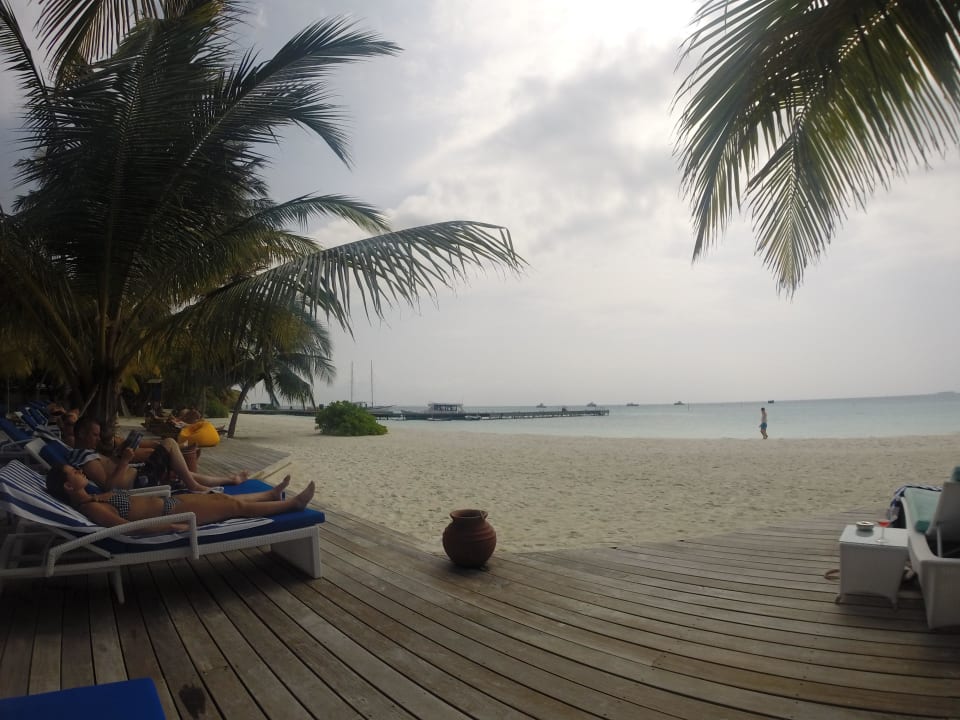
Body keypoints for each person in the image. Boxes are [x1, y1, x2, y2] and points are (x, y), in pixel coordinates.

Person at [45, 464, 315, 531]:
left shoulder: (92, 499)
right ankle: (293, 503)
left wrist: (101, 496)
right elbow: (124, 528)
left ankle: (270, 493)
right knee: (233, 506)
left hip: (172, 504)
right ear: (69, 487)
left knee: (222, 501)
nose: (81, 471)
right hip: (170, 514)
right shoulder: (91, 509)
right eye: (75, 472)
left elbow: (116, 498)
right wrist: (170, 527)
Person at [69, 416, 247, 492]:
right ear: (82, 434)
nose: (98, 439)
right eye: (94, 435)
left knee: (183, 471)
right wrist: (124, 461)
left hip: (140, 476)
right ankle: (193, 485)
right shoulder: (85, 459)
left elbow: (108, 471)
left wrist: (117, 457)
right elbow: (109, 487)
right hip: (140, 484)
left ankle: (230, 480)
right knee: (169, 443)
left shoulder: (86, 454)